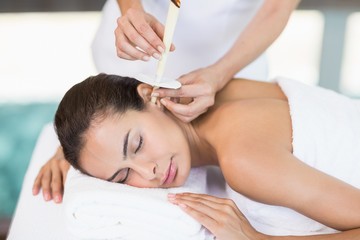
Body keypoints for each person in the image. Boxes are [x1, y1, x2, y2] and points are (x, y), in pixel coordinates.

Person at [33, 73, 360, 239]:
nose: (149, 172)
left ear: (150, 95)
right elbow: (109, 103)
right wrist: (71, 149)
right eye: (123, 176)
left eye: (136, 145)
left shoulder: (244, 161)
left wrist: (255, 239)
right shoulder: (220, 89)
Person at [92, 0, 300, 122]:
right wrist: (131, 9)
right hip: (135, 49)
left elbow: (277, 8)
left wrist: (220, 74)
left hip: (232, 63)